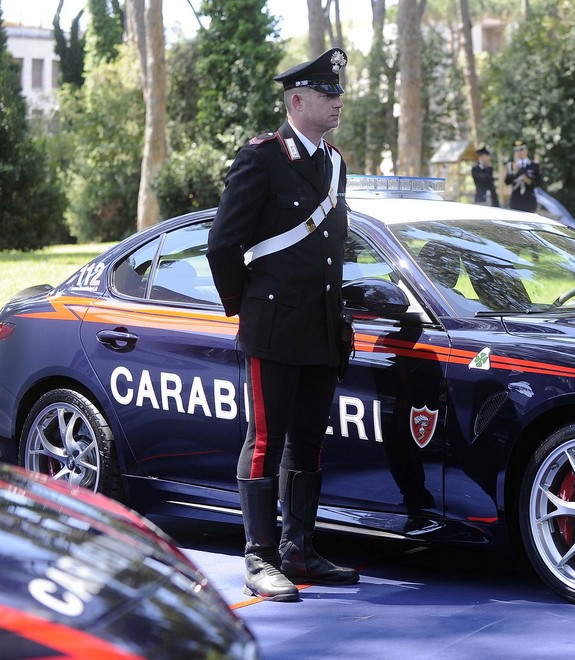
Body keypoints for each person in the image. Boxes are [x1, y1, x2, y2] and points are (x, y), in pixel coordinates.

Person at [206, 48, 360, 602]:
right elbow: (224, 242)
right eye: (327, 94)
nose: (338, 101)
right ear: (297, 101)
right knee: (265, 441)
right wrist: (245, 306)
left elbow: (330, 249)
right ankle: (259, 557)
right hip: (272, 325)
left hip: (319, 327)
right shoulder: (263, 158)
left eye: (338, 93)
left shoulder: (334, 162)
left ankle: (299, 550)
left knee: (309, 444)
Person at [504, 140, 541, 212]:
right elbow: (507, 181)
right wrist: (514, 172)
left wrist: (528, 181)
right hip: (516, 201)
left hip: (529, 201)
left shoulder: (533, 165)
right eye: (517, 150)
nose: (519, 152)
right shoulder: (511, 165)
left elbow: (538, 182)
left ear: (526, 150)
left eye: (521, 150)